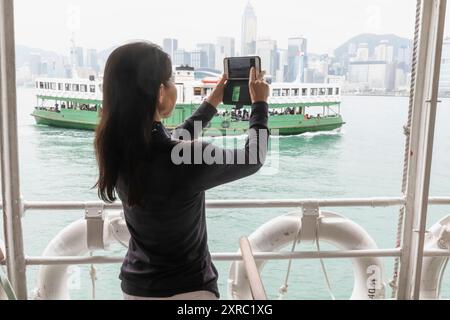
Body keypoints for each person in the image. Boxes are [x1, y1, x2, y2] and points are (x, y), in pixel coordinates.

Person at [94, 42, 270, 300]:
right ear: (160, 93)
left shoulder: (114, 147)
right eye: (173, 80)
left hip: (136, 289)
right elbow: (254, 157)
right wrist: (260, 105)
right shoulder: (186, 158)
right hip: (189, 291)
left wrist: (212, 102)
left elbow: (171, 144)